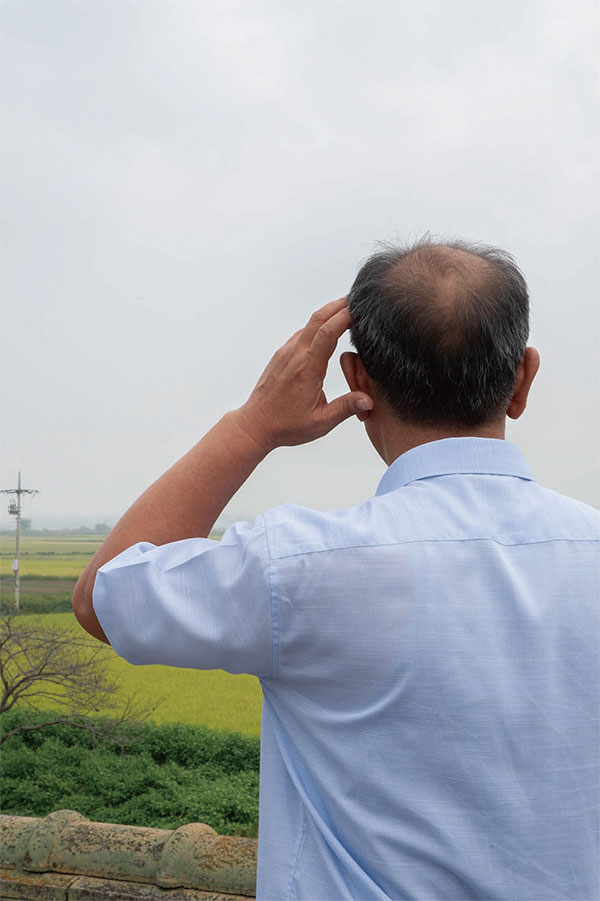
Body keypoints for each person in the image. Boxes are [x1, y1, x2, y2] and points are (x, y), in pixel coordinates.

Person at [73, 237, 599, 901]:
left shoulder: (300, 568)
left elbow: (104, 595)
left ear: (357, 380)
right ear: (522, 379)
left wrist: (255, 424)